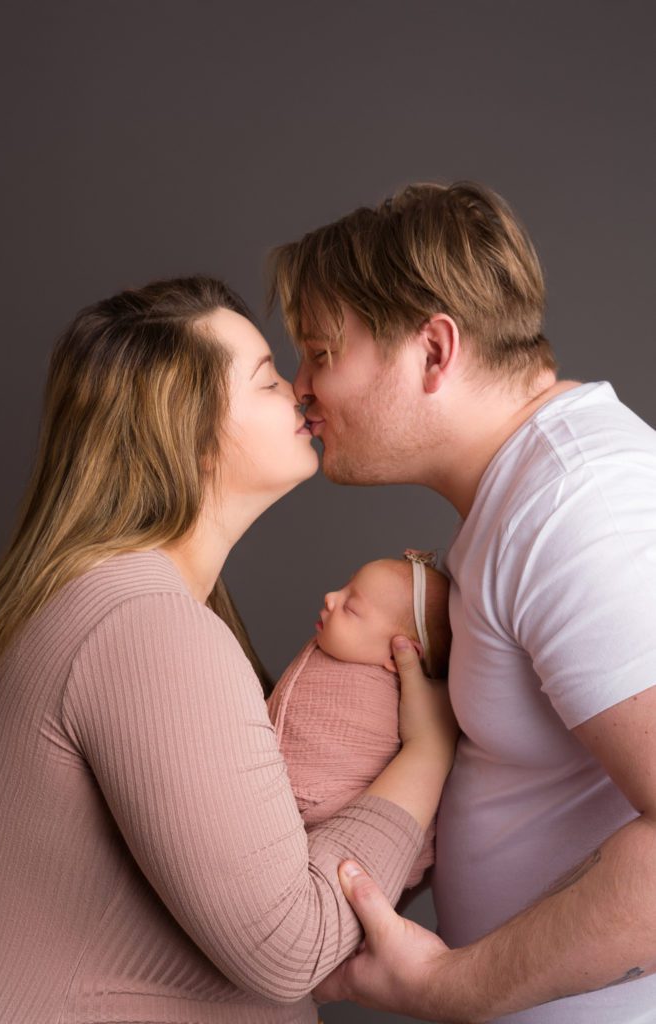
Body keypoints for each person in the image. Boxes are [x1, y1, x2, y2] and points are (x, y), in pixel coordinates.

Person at [0, 276, 458, 1024]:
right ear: (187, 431)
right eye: (267, 380)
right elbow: (288, 947)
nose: (302, 390)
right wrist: (427, 755)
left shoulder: (122, 601)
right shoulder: (146, 628)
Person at [269, 181, 656, 1023]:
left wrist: (449, 987)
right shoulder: (519, 502)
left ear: (434, 351)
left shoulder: (578, 505)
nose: (301, 388)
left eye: (321, 353)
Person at [268, 550, 452, 890]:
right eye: (344, 587)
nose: (331, 597)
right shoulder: (343, 653)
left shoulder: (381, 700)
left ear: (401, 654)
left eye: (351, 607)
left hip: (322, 815)